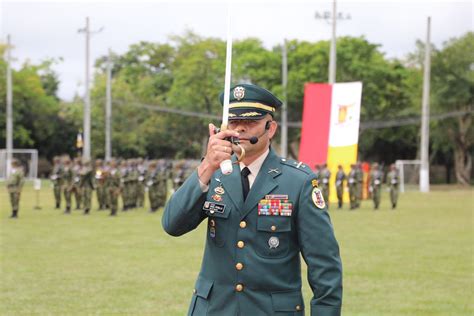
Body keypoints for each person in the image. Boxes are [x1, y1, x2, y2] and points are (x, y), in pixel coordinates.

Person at [162, 83, 342, 316]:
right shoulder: (213, 172)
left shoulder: (299, 181)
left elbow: (324, 264)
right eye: (234, 123)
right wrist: (207, 164)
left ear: (271, 128)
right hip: (215, 309)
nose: (241, 130)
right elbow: (172, 225)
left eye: (250, 122)